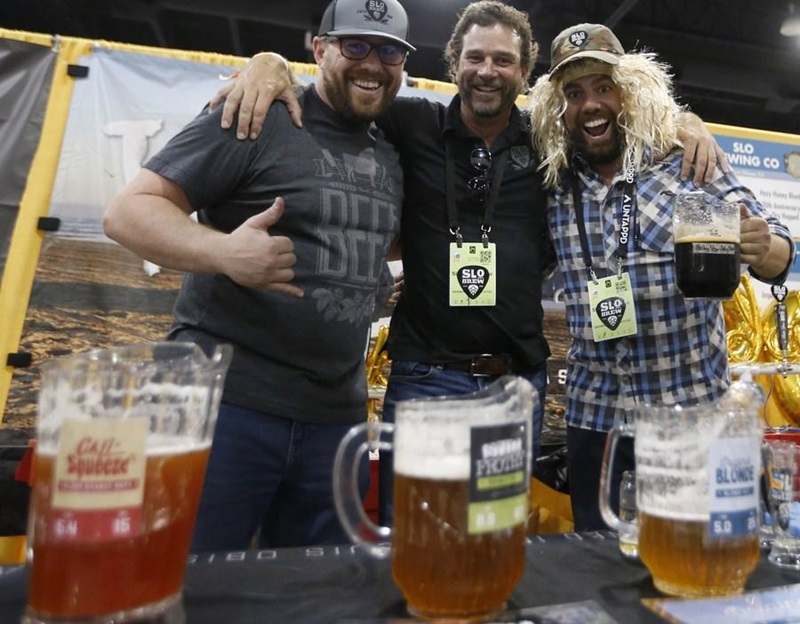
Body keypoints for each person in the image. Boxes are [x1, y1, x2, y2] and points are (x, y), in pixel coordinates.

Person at [213, 1, 726, 528]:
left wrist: (685, 121)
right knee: (414, 536)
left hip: (513, 385)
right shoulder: (410, 122)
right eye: (476, 57)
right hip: (424, 379)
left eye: (504, 61)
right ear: (453, 63)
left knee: (494, 534)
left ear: (525, 74)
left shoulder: (548, 143)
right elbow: (342, 91)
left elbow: (617, 130)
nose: (487, 71)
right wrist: (272, 63)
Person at [102, 0, 413, 550]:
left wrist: (375, 284)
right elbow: (128, 213)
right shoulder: (259, 114)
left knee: (313, 594)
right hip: (228, 406)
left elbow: (358, 239)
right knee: (191, 582)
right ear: (319, 49)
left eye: (389, 51)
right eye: (355, 46)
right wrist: (224, 252)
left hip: (335, 421)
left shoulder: (391, 149)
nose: (372, 62)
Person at [526, 23, 795, 530]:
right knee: (601, 573)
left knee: (696, 569)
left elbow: (779, 246)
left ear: (629, 91)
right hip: (596, 421)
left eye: (604, 88)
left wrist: (765, 249)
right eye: (574, 93)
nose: (590, 105)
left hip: (689, 413)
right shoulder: (554, 179)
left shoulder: (687, 162)